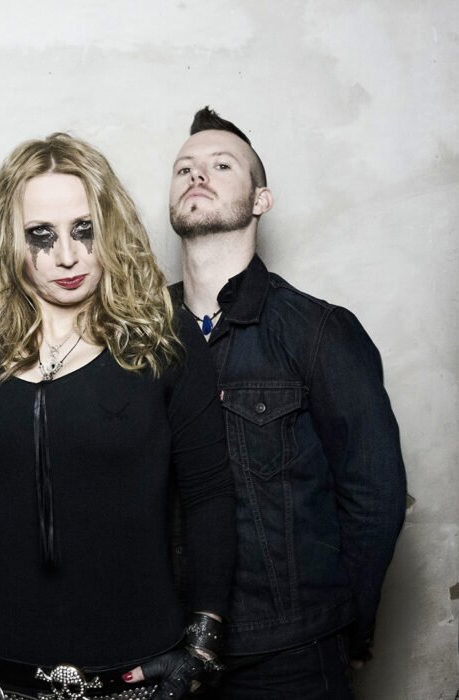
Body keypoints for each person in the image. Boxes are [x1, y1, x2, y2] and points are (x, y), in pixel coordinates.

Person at [0, 132, 236, 700]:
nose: (67, 255)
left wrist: (203, 643)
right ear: (9, 239)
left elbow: (209, 494)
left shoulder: (164, 338)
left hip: (140, 674)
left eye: (84, 229)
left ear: (109, 229)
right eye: (41, 235)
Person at [168, 107, 407, 699]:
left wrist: (347, 627)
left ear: (261, 200)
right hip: (165, 654)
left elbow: (375, 497)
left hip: (291, 657)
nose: (198, 174)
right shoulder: (137, 334)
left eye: (222, 165)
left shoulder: (318, 332)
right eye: (184, 168)